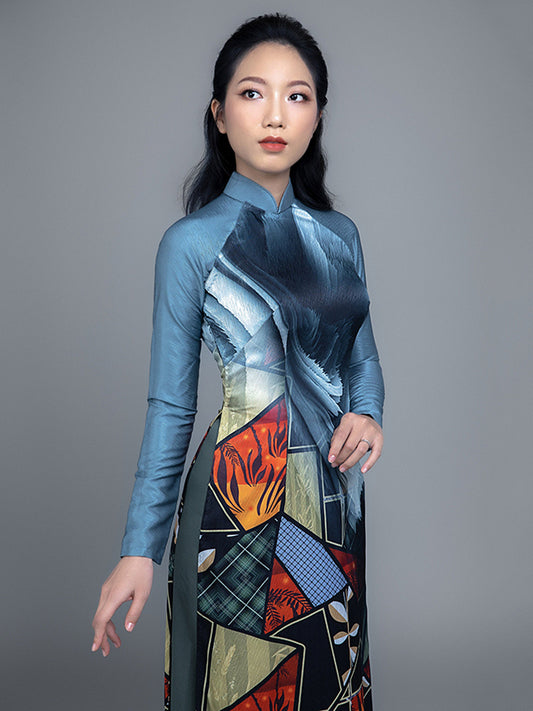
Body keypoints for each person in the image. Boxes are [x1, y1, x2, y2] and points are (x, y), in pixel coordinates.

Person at [91, 12, 385, 711]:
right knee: (241, 688)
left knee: (329, 677)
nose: (275, 114)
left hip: (333, 500)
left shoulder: (340, 236)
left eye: (297, 95)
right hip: (237, 503)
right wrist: (139, 548)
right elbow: (170, 408)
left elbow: (362, 360)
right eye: (253, 93)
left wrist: (369, 414)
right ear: (219, 115)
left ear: (317, 116)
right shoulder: (190, 243)